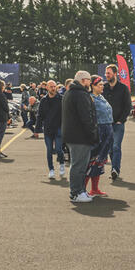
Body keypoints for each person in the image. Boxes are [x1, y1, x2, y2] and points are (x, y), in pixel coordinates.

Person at [62, 70, 97, 203]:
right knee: (79, 166)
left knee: (78, 165)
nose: (90, 82)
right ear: (83, 80)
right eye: (88, 80)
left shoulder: (69, 93)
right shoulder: (80, 94)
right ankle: (76, 193)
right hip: (80, 136)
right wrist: (92, 134)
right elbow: (86, 117)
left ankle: (80, 191)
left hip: (73, 135)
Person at [86, 76, 114, 197]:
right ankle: (82, 189)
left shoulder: (101, 97)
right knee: (92, 161)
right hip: (99, 131)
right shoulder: (90, 98)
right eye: (99, 85)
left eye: (102, 84)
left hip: (108, 130)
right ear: (92, 86)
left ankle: (95, 189)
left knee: (100, 162)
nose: (102, 86)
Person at [102, 64, 131, 181]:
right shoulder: (104, 87)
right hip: (106, 123)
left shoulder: (123, 88)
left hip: (118, 124)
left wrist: (121, 120)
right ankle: (114, 168)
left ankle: (115, 169)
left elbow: (128, 106)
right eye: (106, 73)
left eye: (109, 73)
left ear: (115, 74)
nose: (106, 75)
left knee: (116, 146)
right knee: (110, 148)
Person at [37, 81, 65, 179]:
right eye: (51, 87)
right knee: (49, 150)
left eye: (54, 86)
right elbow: (40, 115)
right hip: (48, 129)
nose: (53, 88)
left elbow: (66, 113)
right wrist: (37, 129)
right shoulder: (43, 100)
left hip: (59, 128)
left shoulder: (61, 99)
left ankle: (62, 164)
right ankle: (51, 170)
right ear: (47, 88)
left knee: (58, 149)